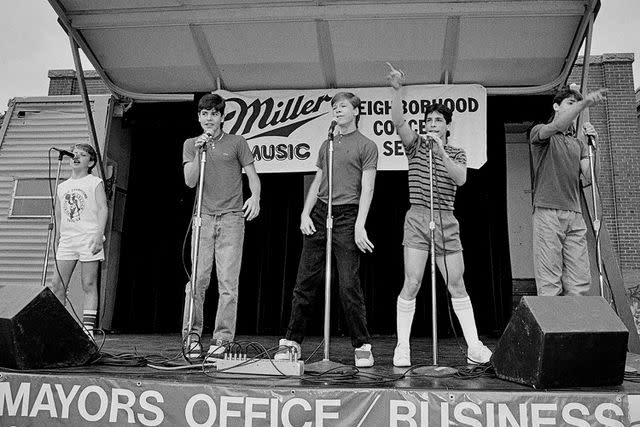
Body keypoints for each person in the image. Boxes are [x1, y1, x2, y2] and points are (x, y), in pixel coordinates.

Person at [387, 63, 491, 367]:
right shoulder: (415, 146)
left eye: (438, 121)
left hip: (446, 218)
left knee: (456, 283)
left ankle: (473, 346)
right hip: (418, 217)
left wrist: (441, 151)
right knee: (413, 281)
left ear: (447, 127)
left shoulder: (456, 152)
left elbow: (460, 178)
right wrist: (397, 90)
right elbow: (397, 121)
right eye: (429, 120)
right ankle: (402, 347)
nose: (432, 124)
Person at [275, 92, 378, 367]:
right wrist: (304, 213)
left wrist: (359, 224)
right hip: (322, 211)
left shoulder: (367, 145)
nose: (337, 110)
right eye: (334, 107)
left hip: (348, 214)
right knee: (305, 281)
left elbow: (367, 188)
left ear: (356, 111)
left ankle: (362, 344)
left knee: (348, 284)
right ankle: (292, 341)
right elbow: (318, 180)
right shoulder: (327, 143)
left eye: (342, 106)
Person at [181, 93, 261, 360]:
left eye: (214, 114)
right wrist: (199, 150)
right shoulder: (192, 144)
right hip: (203, 217)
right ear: (199, 117)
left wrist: (256, 197)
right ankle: (192, 335)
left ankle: (222, 339)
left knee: (227, 282)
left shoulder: (237, 142)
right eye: (204, 114)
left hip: (231, 218)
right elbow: (190, 181)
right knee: (198, 280)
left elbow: (253, 176)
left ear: (222, 117)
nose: (209, 118)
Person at [530, 85, 607, 296]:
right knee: (549, 282)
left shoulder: (578, 144)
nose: (575, 109)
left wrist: (595, 147)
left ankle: (576, 328)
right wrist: (584, 103)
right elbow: (557, 125)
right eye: (570, 104)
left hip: (574, 214)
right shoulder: (540, 132)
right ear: (556, 106)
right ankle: (555, 328)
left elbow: (590, 176)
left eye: (576, 105)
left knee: (579, 281)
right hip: (548, 212)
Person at [49, 143, 107, 339]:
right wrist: (57, 237)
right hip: (68, 239)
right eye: (74, 154)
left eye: (82, 155)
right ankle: (59, 326)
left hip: (89, 237)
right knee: (57, 285)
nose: (76, 157)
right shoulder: (62, 186)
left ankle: (88, 329)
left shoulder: (94, 182)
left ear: (90, 162)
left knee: (88, 283)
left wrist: (99, 235)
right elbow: (58, 214)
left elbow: (102, 209)